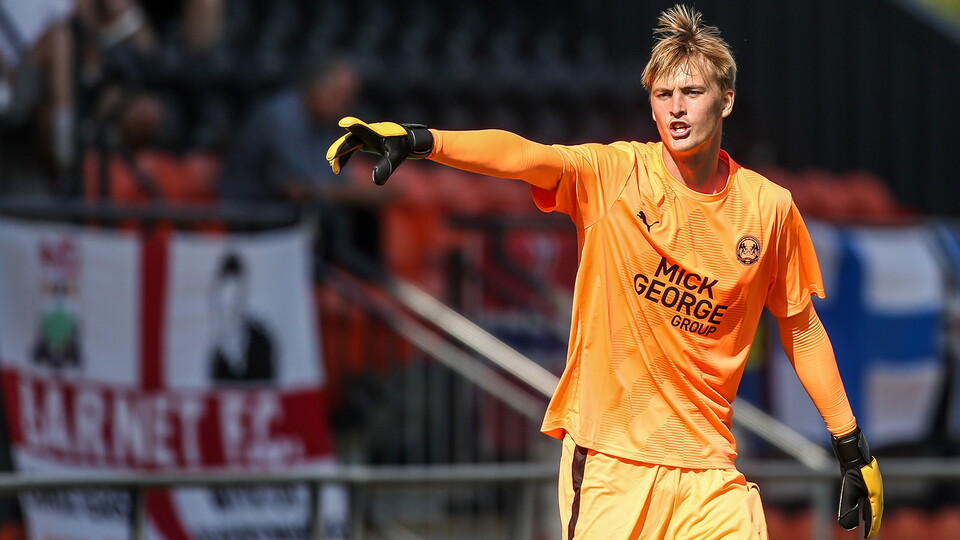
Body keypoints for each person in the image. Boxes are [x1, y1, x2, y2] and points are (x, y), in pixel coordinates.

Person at [327, 4, 883, 539]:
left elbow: (799, 325)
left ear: (727, 101)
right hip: (611, 466)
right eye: (664, 95)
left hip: (709, 473)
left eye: (692, 92)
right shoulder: (614, 173)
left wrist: (850, 445)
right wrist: (423, 140)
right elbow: (524, 155)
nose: (677, 109)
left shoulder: (770, 208)